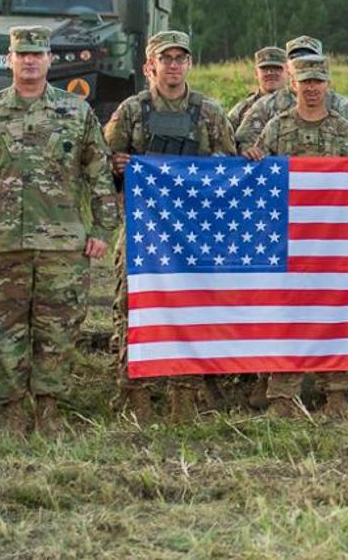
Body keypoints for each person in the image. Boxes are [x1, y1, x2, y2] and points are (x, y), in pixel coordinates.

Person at [0, 26, 119, 436]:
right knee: (4, 329)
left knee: (58, 329)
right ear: (9, 59)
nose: (28, 61)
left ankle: (48, 409)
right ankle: (11, 412)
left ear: (48, 61)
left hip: (63, 245)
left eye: (36, 54)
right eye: (21, 54)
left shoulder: (77, 113)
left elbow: (99, 175)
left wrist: (102, 228)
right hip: (4, 243)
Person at [102, 30, 239, 422]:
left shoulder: (210, 112)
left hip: (192, 235)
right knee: (132, 308)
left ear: (189, 64)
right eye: (166, 58)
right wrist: (117, 167)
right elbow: (102, 161)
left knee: (190, 310)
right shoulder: (131, 111)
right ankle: (135, 394)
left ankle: (185, 392)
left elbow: (227, 171)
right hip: (144, 231)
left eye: (181, 58)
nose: (174, 65)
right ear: (151, 66)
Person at [244, 54, 348, 417]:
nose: (311, 88)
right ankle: (283, 395)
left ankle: (337, 394)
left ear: (328, 84)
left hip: (333, 239)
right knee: (287, 312)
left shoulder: (345, 130)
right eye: (305, 81)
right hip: (287, 240)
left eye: (318, 81)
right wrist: (252, 160)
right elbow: (256, 177)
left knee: (335, 312)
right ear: (293, 84)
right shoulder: (277, 127)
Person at [233, 36, 348, 145]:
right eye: (295, 58)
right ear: (287, 65)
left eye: (310, 57)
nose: (303, 63)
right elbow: (246, 146)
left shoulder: (342, 107)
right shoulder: (265, 106)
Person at [226, 47, 288, 130]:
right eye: (265, 68)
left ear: (288, 72)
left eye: (276, 68)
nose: (270, 72)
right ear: (256, 73)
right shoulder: (241, 110)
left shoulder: (299, 106)